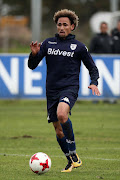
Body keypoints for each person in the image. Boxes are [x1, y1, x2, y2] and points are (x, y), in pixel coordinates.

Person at [28, 9, 100, 172]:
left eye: (65, 25)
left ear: (72, 27)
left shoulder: (79, 47)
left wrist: (94, 82)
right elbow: (32, 66)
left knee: (62, 114)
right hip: (51, 91)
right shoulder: (48, 44)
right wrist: (33, 55)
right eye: (59, 24)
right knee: (58, 130)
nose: (61, 27)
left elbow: (92, 68)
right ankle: (70, 160)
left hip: (69, 88)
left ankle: (73, 152)